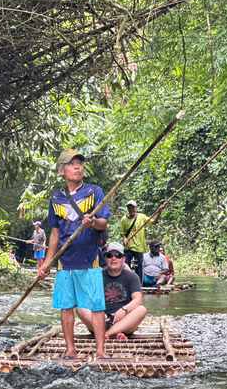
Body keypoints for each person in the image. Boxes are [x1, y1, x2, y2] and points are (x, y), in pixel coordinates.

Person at [37, 149, 110, 359]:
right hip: (64, 262)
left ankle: (100, 350)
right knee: (66, 305)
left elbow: (104, 222)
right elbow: (54, 233)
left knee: (96, 305)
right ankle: (70, 349)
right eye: (71, 164)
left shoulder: (94, 191)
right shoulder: (56, 198)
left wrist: (93, 222)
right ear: (61, 170)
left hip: (90, 259)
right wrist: (47, 263)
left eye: (79, 163)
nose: (77, 167)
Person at [77, 242, 146, 340]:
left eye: (118, 256)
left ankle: (107, 334)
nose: (113, 258)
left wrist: (124, 310)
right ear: (105, 259)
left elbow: (138, 300)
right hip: (101, 320)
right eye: (110, 255)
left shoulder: (132, 277)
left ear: (123, 260)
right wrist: (100, 313)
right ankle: (114, 333)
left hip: (124, 321)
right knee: (80, 307)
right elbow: (87, 299)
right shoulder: (97, 277)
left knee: (141, 310)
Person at [119, 200, 162, 282]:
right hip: (128, 247)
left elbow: (154, 222)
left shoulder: (141, 217)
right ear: (127, 209)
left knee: (139, 267)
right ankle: (125, 282)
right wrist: (124, 238)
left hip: (139, 247)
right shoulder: (124, 220)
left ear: (136, 208)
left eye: (133, 208)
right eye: (129, 208)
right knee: (126, 266)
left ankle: (138, 284)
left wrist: (159, 212)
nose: (131, 210)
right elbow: (122, 232)